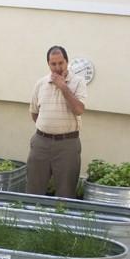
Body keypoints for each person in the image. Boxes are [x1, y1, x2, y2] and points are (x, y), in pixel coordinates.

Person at [26, 45, 87, 198]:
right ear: (48, 64)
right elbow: (34, 113)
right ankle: (32, 219)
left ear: (67, 62)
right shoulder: (40, 84)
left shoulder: (78, 82)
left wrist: (63, 87)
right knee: (34, 188)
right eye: (53, 64)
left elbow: (79, 110)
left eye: (61, 63)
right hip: (41, 142)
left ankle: (60, 221)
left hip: (67, 144)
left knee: (65, 192)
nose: (58, 67)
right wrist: (47, 128)